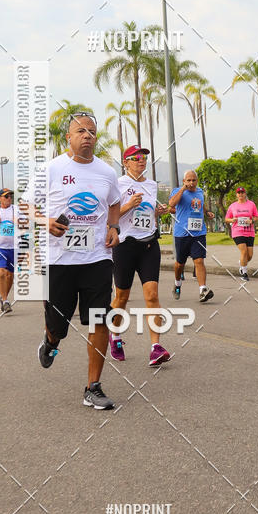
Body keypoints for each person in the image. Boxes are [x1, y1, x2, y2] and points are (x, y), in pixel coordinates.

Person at [30, 112, 121, 409]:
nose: (87, 135)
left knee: (99, 319)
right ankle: (51, 341)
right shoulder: (52, 168)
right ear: (68, 137)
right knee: (58, 326)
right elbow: (26, 206)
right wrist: (44, 222)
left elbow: (115, 202)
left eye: (91, 131)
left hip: (97, 257)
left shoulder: (106, 172)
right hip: (60, 259)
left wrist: (113, 226)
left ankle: (93, 387)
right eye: (80, 131)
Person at [109, 145, 171, 366]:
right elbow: (109, 216)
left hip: (149, 244)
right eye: (135, 158)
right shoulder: (118, 184)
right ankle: (115, 335)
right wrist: (128, 205)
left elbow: (147, 213)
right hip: (125, 246)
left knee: (152, 295)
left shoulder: (151, 185)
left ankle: (156, 348)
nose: (141, 160)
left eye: (143, 157)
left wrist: (157, 212)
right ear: (125, 162)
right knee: (122, 297)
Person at [169, 170, 215, 303]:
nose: (191, 183)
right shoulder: (177, 191)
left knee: (199, 261)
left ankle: (203, 290)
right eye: (188, 180)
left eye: (193, 180)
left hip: (198, 233)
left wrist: (207, 212)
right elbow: (171, 204)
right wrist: (183, 189)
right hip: (182, 233)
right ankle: (177, 283)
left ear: (197, 181)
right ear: (184, 181)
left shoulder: (200, 192)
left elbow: (201, 205)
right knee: (180, 264)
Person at [225, 187, 258, 282]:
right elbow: (226, 219)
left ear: (245, 194)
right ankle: (244, 273)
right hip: (237, 231)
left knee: (249, 255)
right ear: (236, 195)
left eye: (242, 192)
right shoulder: (232, 206)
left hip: (250, 232)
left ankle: (241, 263)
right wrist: (232, 220)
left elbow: (256, 217)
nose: (240, 194)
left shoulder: (251, 204)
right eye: (239, 193)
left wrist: (252, 221)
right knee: (244, 252)